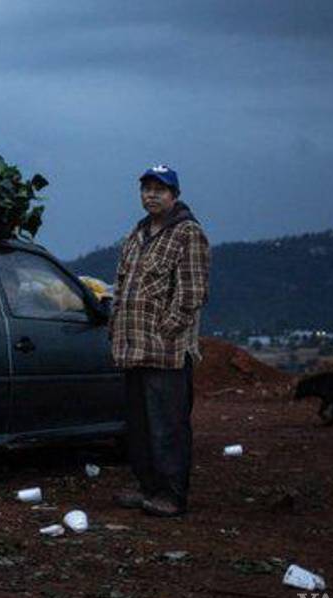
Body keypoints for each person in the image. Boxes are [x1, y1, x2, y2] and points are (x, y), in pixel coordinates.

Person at [108, 165, 210, 517]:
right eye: (146, 189)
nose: (151, 195)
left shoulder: (187, 234)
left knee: (168, 426)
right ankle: (146, 486)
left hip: (166, 352)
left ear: (174, 195)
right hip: (132, 348)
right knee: (139, 426)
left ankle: (171, 494)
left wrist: (167, 331)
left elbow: (192, 293)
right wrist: (115, 327)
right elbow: (122, 286)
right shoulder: (136, 235)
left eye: (159, 189)